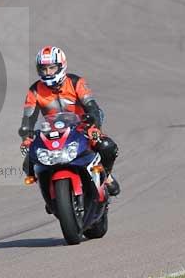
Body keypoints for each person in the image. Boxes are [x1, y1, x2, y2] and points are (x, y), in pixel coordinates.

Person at [18, 46, 120, 196]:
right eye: (44, 69)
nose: (48, 73)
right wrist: (26, 139)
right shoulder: (34, 90)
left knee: (107, 146)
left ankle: (107, 177)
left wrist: (93, 127)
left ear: (61, 66)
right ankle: (50, 194)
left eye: (52, 68)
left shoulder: (76, 82)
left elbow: (92, 107)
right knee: (28, 163)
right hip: (52, 133)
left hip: (81, 128)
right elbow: (28, 118)